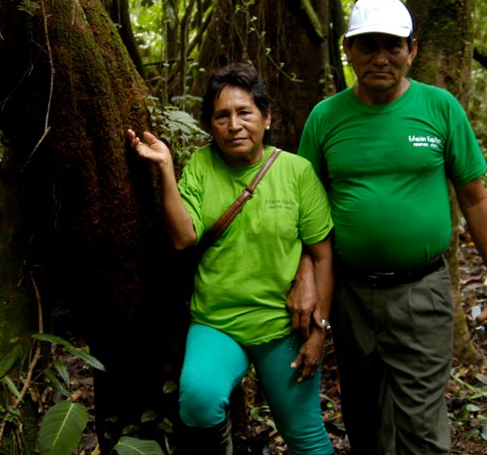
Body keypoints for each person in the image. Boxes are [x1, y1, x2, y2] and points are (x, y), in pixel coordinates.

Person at [297, 0, 487, 454]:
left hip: (422, 292)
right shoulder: (325, 117)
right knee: (364, 418)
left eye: (392, 46)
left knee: (421, 428)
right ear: (348, 49)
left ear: (411, 51)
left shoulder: (439, 108)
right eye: (368, 45)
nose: (381, 58)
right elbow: (305, 211)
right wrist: (306, 279)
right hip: (351, 294)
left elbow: (475, 199)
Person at [127, 63, 334, 455]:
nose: (234, 125)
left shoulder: (297, 172)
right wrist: (166, 168)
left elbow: (322, 256)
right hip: (217, 323)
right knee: (199, 400)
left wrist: (319, 332)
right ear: (211, 124)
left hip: (283, 326)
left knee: (305, 435)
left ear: (266, 118)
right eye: (222, 116)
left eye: (245, 113)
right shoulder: (202, 165)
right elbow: (183, 237)